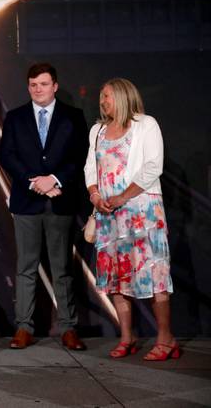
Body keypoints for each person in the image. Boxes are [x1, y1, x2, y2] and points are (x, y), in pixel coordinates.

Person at [84, 78, 178, 360]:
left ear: (124, 97)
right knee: (115, 277)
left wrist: (123, 196)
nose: (103, 101)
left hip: (141, 212)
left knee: (153, 274)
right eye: (101, 97)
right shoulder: (98, 130)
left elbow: (153, 166)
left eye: (108, 96)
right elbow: (91, 166)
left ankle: (165, 337)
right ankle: (127, 337)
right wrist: (94, 194)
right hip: (108, 214)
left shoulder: (145, 124)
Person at [0, 63, 88, 351]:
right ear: (28, 87)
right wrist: (33, 182)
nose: (39, 89)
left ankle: (68, 328)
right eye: (34, 85)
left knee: (62, 268)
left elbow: (80, 156)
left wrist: (55, 179)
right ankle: (24, 327)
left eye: (44, 84)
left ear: (55, 86)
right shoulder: (15, 117)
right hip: (27, 203)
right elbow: (7, 156)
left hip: (60, 201)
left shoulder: (73, 117)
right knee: (26, 267)